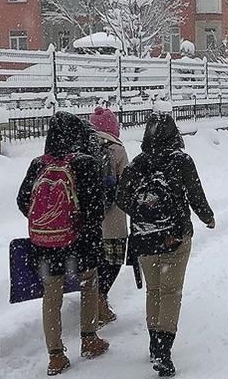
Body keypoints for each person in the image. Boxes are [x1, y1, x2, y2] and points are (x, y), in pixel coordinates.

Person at [117, 112, 215, 377]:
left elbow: (121, 197)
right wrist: (208, 217)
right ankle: (163, 350)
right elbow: (195, 194)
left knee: (154, 291)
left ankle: (153, 343)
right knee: (171, 293)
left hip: (145, 237)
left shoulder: (138, 164)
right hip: (175, 236)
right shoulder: (181, 160)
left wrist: (142, 212)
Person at [16, 112, 109, 376]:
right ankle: (89, 339)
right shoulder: (84, 163)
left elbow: (23, 200)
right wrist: (82, 231)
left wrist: (48, 221)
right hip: (79, 242)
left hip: (45, 244)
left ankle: (55, 356)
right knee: (89, 284)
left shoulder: (38, 164)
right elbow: (95, 207)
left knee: (51, 296)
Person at [88, 106, 130, 326]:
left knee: (93, 261)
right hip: (113, 217)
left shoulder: (83, 146)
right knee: (112, 260)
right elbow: (127, 183)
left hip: (89, 218)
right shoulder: (117, 149)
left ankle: (93, 299)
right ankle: (101, 298)